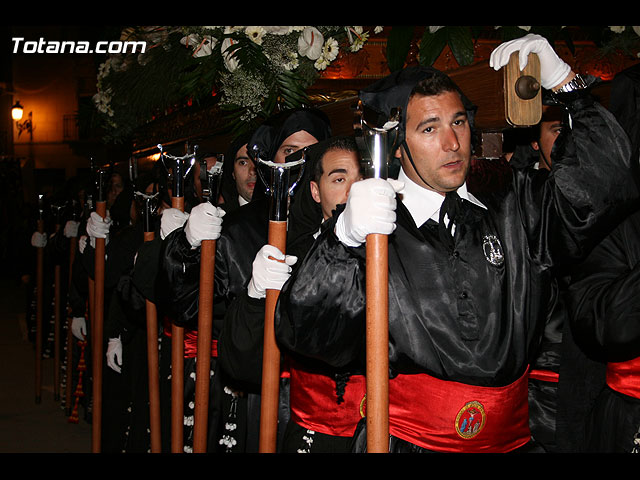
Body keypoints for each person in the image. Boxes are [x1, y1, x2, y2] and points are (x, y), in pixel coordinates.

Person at [274, 34, 637, 453]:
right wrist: (343, 240)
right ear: (397, 144)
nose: (452, 143)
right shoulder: (374, 227)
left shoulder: (515, 204)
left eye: (458, 122)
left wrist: (569, 87)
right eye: (430, 128)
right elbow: (308, 335)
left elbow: (604, 189)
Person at [160, 107, 332, 452]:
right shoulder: (238, 230)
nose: (300, 160)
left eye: (311, 152)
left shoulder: (341, 227)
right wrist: (185, 247)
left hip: (326, 408)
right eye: (289, 152)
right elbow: (183, 304)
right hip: (256, 392)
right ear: (271, 161)